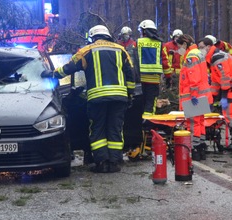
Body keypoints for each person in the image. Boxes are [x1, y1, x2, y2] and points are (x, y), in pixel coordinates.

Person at [43, 25, 136, 172]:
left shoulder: (87, 51)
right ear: (107, 35)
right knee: (115, 128)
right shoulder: (121, 50)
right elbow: (130, 74)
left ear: (93, 37)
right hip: (119, 98)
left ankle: (102, 162)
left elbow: (69, 67)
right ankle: (114, 162)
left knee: (97, 129)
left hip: (97, 98)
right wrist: (130, 93)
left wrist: (52, 74)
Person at [199, 36, 232, 150]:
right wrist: (211, 98)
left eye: (201, 47)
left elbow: (225, 78)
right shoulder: (213, 59)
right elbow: (216, 83)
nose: (200, 50)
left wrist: (224, 97)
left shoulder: (217, 58)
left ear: (208, 47)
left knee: (228, 111)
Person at [175, 34, 214, 160]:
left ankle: (195, 148)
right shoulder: (198, 53)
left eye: (179, 46)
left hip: (194, 95)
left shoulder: (191, 56)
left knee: (193, 123)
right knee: (200, 122)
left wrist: (193, 95)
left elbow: (193, 78)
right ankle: (201, 146)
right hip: (201, 94)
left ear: (185, 45)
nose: (178, 49)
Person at [136, 20, 167, 117]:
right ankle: (148, 125)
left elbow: (132, 59)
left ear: (144, 31)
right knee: (150, 104)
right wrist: (169, 76)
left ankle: (139, 125)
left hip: (139, 79)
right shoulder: (160, 43)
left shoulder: (137, 42)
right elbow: (165, 61)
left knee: (140, 102)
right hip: (154, 79)